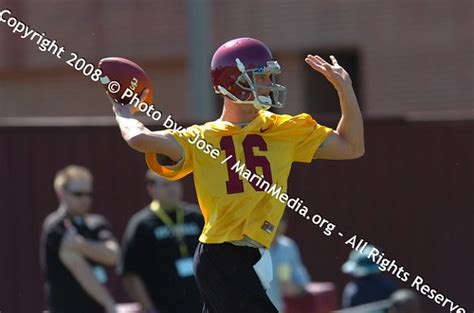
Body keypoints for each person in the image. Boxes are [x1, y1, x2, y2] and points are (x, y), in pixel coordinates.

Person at [111, 37, 364, 313]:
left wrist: (345, 90)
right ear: (233, 82)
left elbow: (352, 147)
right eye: (261, 76)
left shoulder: (285, 129)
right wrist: (123, 112)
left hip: (247, 254)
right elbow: (139, 139)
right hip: (222, 253)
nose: (269, 83)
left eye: (270, 76)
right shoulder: (202, 137)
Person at [118, 170, 204, 313]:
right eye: (165, 184)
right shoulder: (142, 224)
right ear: (151, 189)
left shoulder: (196, 216)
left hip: (201, 305)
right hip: (165, 306)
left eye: (175, 182)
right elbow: (131, 274)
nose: (172, 188)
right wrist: (150, 309)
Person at [40, 165, 120, 313]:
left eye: (88, 194)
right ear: (61, 193)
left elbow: (113, 255)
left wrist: (79, 244)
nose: (85, 199)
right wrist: (109, 303)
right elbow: (80, 268)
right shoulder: (55, 225)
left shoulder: (97, 223)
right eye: (78, 194)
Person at [267, 213, 311, 312]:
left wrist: (292, 288)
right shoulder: (251, 247)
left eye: (280, 220)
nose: (276, 225)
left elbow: (303, 283)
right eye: (272, 219)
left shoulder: (288, 247)